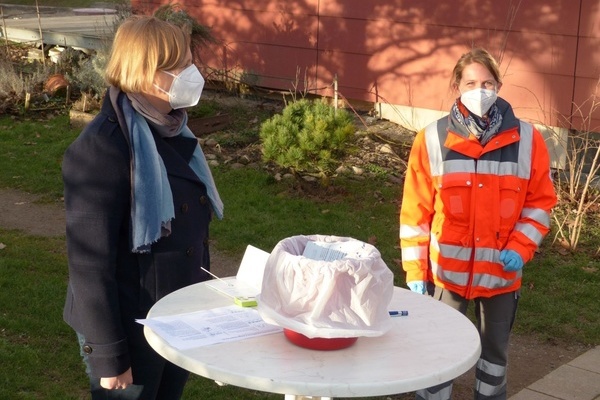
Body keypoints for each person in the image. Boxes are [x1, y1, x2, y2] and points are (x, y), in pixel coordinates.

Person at [62, 15, 223, 400]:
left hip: (175, 313)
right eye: (179, 65)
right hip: (129, 322)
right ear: (147, 72)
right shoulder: (102, 148)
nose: (191, 73)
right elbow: (89, 263)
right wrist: (110, 357)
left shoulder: (169, 128)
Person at [399, 48, 557, 400]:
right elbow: (416, 212)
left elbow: (540, 203)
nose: (479, 89)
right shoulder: (431, 139)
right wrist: (414, 270)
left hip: (501, 276)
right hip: (447, 276)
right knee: (438, 354)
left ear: (499, 85)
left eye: (487, 82)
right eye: (471, 82)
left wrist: (520, 248)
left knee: (494, 359)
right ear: (457, 85)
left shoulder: (528, 140)